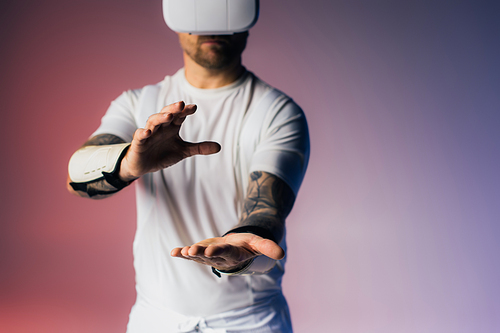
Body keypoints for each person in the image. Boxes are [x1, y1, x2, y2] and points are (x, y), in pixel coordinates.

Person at [67, 4, 309, 333]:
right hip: (154, 318)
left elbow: (266, 211)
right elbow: (77, 176)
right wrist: (130, 162)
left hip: (249, 320)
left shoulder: (277, 112)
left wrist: (240, 247)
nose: (213, 28)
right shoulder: (139, 103)